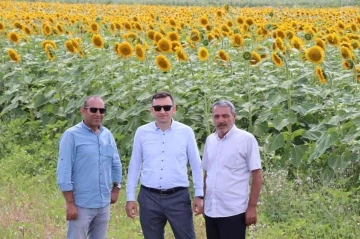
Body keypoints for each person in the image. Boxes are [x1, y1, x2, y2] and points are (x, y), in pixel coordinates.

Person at [125, 91, 204, 239]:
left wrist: (199, 195)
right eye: (158, 108)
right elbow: (134, 166)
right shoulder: (141, 133)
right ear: (151, 110)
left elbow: (196, 164)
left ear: (174, 109)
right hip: (149, 198)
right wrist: (130, 197)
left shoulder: (186, 132)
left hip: (178, 197)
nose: (162, 111)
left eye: (167, 107)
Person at [56, 95, 122, 239]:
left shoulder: (107, 135)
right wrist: (70, 202)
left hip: (103, 202)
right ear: (83, 111)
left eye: (102, 110)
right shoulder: (71, 135)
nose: (98, 114)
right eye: (93, 110)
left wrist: (116, 188)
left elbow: (115, 163)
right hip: (81, 204)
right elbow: (64, 169)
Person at [201, 100, 262, 239]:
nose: (221, 120)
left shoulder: (246, 140)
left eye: (225, 116)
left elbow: (257, 175)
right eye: (216, 116)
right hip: (212, 210)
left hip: (234, 211)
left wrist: (252, 207)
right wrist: (204, 200)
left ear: (234, 117)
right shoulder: (210, 140)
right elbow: (207, 173)